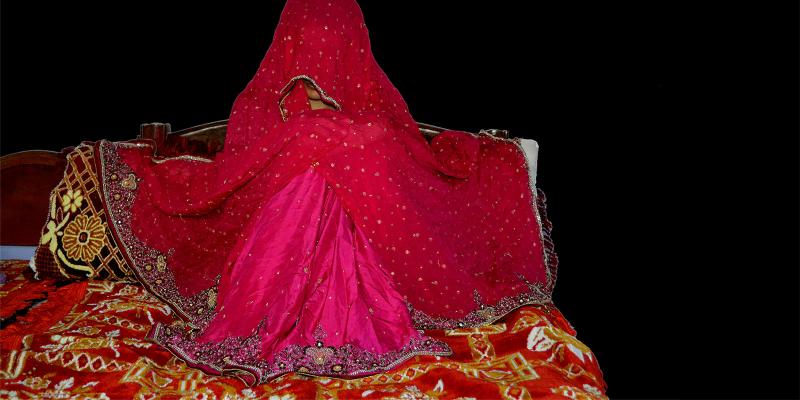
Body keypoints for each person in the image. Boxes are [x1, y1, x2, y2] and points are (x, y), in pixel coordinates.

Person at [70, 0, 556, 385]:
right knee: (314, 147)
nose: (316, 64)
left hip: (346, 151)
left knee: (339, 147)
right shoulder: (289, 99)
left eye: (328, 51)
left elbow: (370, 102)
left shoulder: (368, 118)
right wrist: (314, 131)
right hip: (298, 150)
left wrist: (338, 134)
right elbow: (260, 117)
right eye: (305, 49)